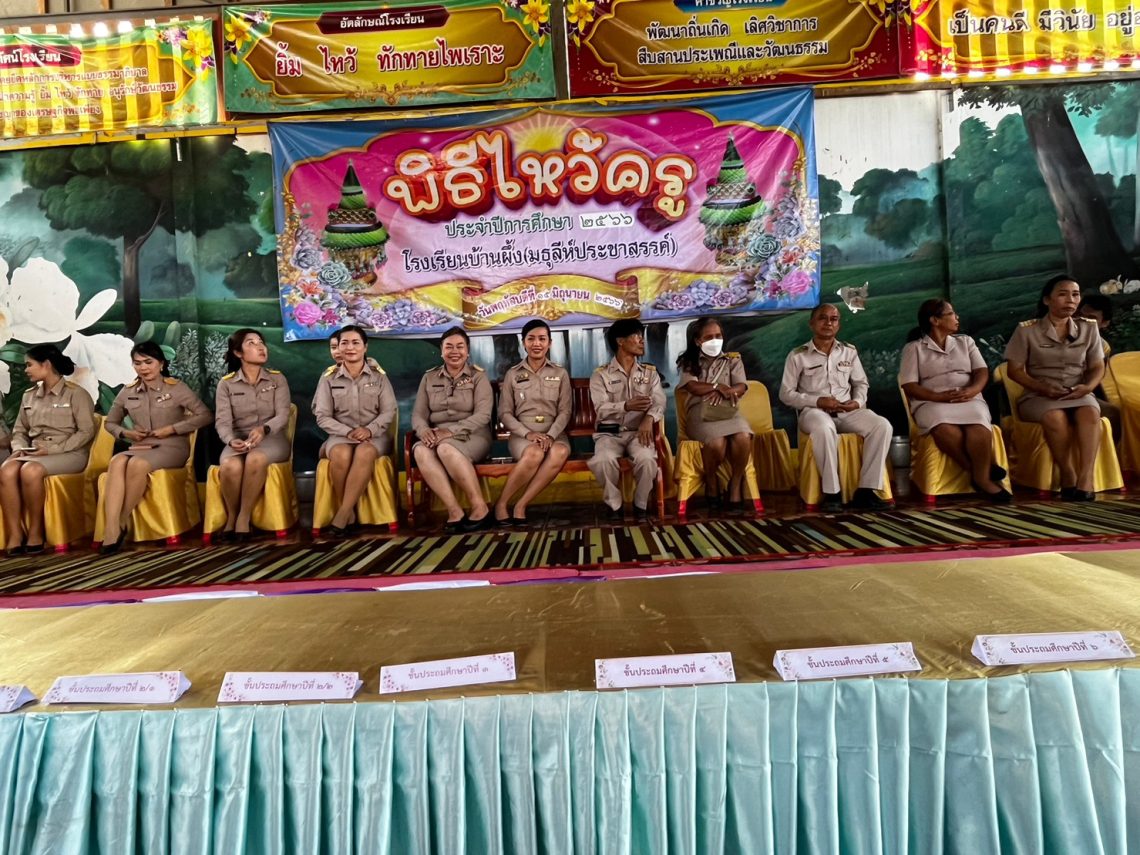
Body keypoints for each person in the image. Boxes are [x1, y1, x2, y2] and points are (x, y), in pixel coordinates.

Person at [100, 342, 212, 554]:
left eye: (148, 362)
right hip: (141, 446)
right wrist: (127, 433)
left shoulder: (176, 388)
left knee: (137, 464)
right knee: (117, 461)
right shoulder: (128, 391)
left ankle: (122, 519)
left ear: (161, 364)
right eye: (137, 363)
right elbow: (110, 423)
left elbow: (205, 415)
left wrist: (173, 429)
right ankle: (111, 526)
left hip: (172, 447)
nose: (143, 367)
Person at [779, 303, 891, 513]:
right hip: (813, 412)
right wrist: (817, 401)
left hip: (847, 411)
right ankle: (832, 493)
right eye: (822, 318)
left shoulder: (849, 351)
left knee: (882, 426)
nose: (828, 323)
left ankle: (866, 490)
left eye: (834, 319)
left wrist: (857, 402)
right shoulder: (798, 355)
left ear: (838, 324)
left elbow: (861, 383)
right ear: (812, 323)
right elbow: (786, 394)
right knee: (824, 428)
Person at [899, 299, 1010, 502]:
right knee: (942, 425)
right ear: (935, 320)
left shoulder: (965, 342)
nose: (956, 317)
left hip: (968, 397)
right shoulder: (914, 348)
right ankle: (980, 474)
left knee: (978, 421)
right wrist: (937, 397)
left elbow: (981, 371)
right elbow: (909, 385)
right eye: (951, 313)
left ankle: (979, 475)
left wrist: (973, 390)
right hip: (931, 401)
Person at [1006, 275, 1104, 501]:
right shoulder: (1027, 330)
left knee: (1090, 412)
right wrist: (1042, 387)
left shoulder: (1088, 327)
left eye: (1075, 295)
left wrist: (1088, 387)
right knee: (1055, 417)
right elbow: (1014, 370)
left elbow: (1098, 366)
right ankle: (1067, 473)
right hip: (1038, 395)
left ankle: (1086, 478)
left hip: (1078, 391)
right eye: (1062, 294)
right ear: (1047, 300)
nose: (1070, 300)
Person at [0, 345, 95, 556]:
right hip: (34, 453)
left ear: (46, 365)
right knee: (6, 470)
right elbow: (19, 430)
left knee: (30, 471)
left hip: (70, 453)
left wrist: (53, 449)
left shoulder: (76, 394)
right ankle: (15, 534)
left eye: (29, 365)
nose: (26, 370)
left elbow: (86, 432)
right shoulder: (29, 396)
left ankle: (36, 531)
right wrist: (18, 449)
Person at [311, 325, 397, 536]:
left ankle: (342, 515)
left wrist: (369, 430)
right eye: (345, 343)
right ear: (338, 347)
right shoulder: (328, 378)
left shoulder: (378, 376)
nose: (350, 347)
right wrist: (347, 432)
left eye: (355, 343)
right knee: (340, 453)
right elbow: (322, 415)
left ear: (365, 347)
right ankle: (348, 513)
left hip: (374, 436)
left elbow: (389, 411)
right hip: (340, 435)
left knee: (365, 451)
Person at [412, 326, 494, 532]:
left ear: (467, 351)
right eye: (449, 347)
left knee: (446, 448)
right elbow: (418, 414)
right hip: (437, 435)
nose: (454, 351)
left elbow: (483, 415)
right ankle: (454, 510)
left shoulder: (478, 377)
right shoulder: (429, 378)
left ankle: (480, 507)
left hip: (473, 435)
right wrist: (424, 431)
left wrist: (450, 432)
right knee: (420, 450)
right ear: (441, 351)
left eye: (460, 346)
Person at [214, 329, 293, 541]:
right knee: (230, 465)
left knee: (256, 458)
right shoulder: (226, 384)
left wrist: (264, 429)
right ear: (238, 353)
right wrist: (231, 440)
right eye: (251, 343)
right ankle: (232, 516)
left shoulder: (277, 379)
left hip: (272, 439)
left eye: (261, 342)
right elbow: (222, 422)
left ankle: (244, 517)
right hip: (239, 439)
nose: (260, 347)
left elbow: (283, 414)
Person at [493, 319, 572, 526]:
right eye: (531, 339)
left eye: (542, 339)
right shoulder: (513, 374)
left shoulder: (560, 373)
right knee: (534, 453)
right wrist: (528, 434)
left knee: (560, 451)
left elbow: (565, 411)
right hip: (523, 434)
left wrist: (551, 435)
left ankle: (521, 504)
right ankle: (501, 504)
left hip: (554, 431)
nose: (537, 343)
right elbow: (505, 413)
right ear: (524, 342)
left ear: (549, 343)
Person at [588, 317, 665, 521]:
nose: (642, 341)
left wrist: (649, 419)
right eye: (636, 336)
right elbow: (600, 409)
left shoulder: (650, 373)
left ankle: (640, 504)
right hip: (609, 433)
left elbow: (659, 401)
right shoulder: (600, 375)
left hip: (639, 433)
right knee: (603, 460)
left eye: (642, 336)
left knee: (647, 459)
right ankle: (614, 505)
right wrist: (625, 406)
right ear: (620, 341)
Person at [675, 316, 753, 512]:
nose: (715, 340)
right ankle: (711, 480)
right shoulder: (689, 361)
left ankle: (735, 483)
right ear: (697, 341)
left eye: (718, 336)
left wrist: (729, 391)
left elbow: (742, 386)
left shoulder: (733, 359)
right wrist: (718, 387)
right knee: (717, 443)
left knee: (744, 436)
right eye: (709, 337)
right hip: (700, 414)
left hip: (729, 412)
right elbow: (692, 386)